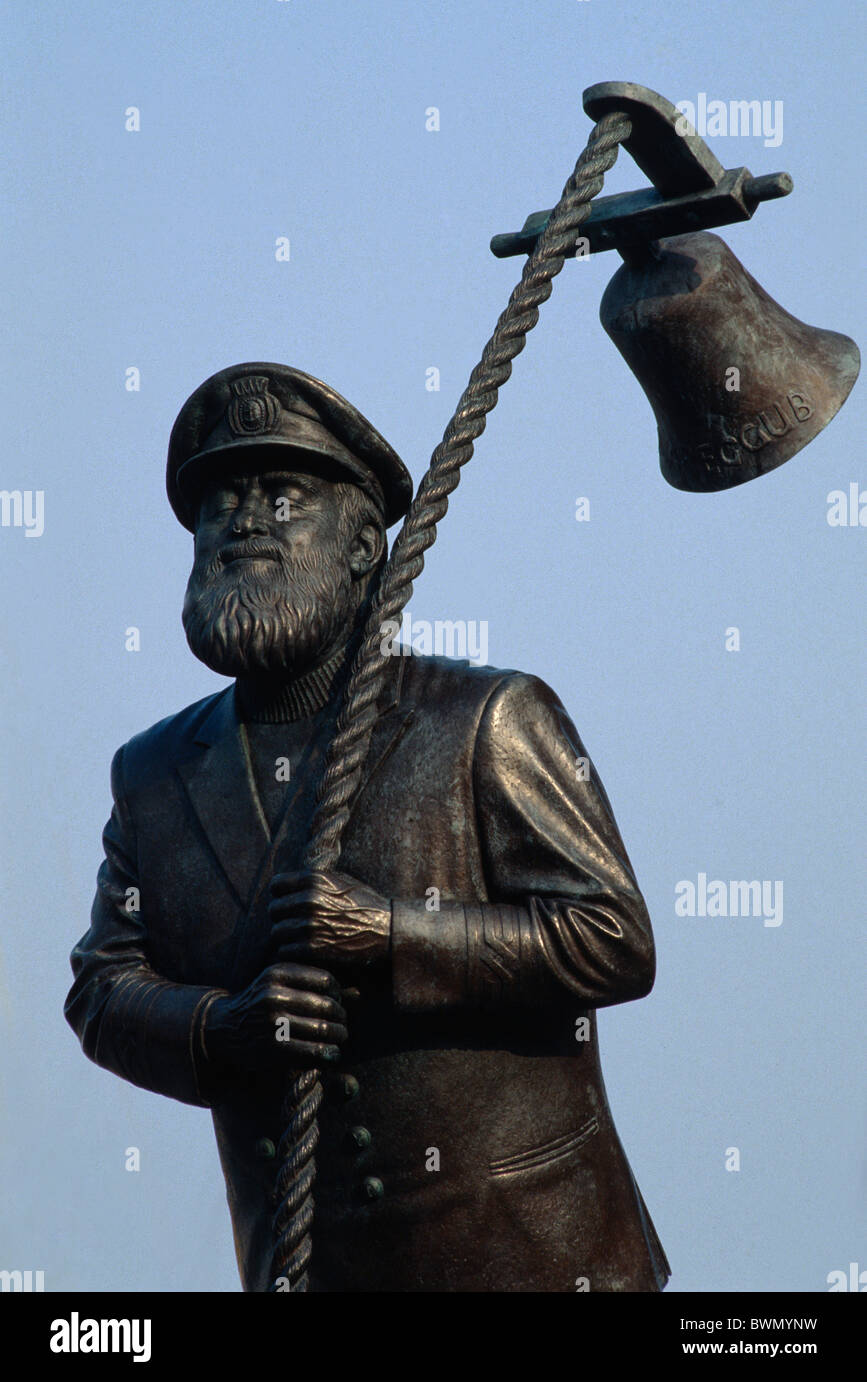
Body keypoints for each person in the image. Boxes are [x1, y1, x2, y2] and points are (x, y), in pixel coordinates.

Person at [66, 362, 669, 1292]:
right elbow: (102, 993)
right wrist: (226, 1029)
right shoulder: (153, 773)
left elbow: (613, 941)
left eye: (284, 494)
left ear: (361, 550)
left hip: (536, 1263)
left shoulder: (488, 720)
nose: (245, 519)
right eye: (222, 499)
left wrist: (391, 935)